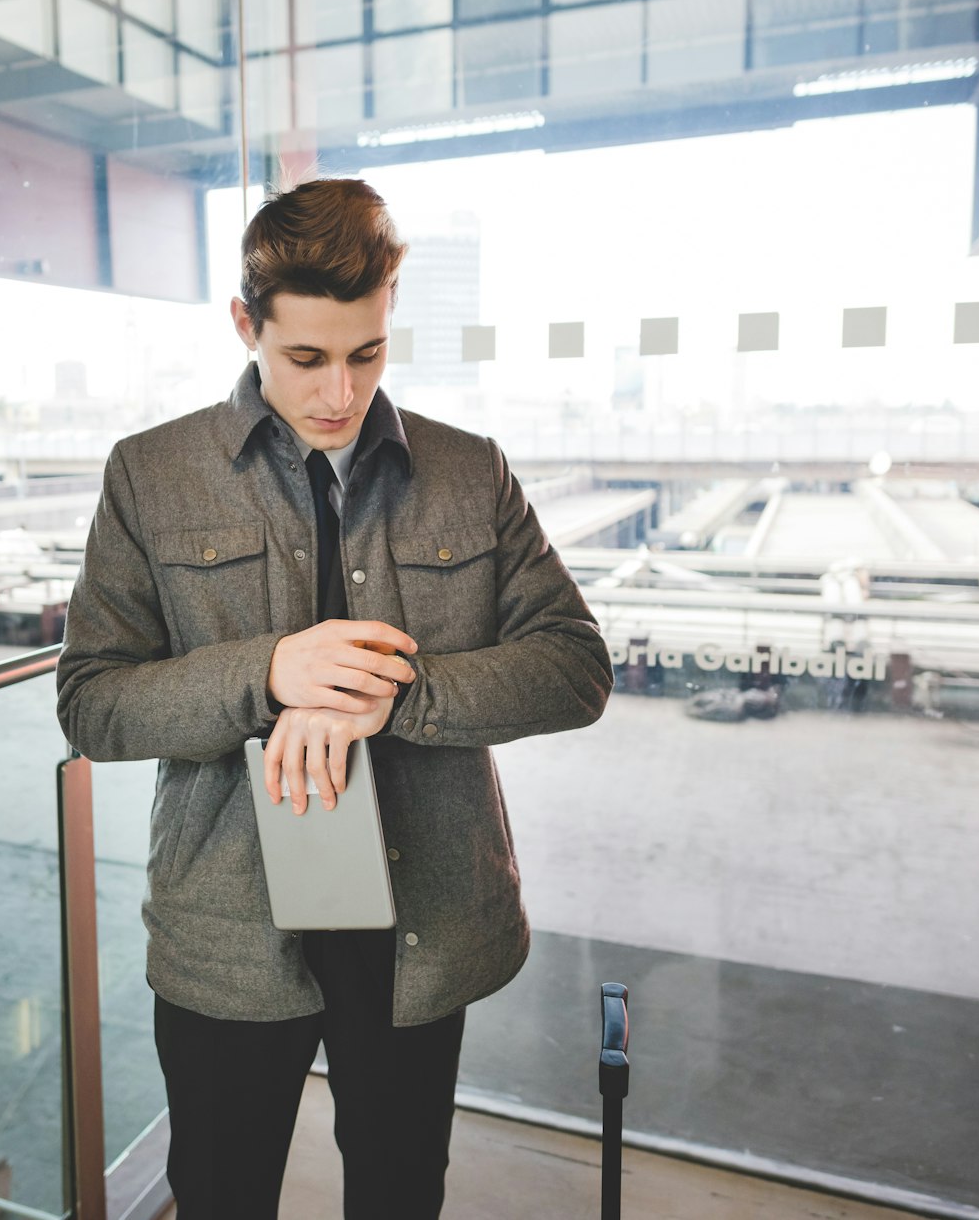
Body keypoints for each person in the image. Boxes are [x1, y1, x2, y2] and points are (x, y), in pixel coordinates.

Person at [56, 178, 612, 1220]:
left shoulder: (468, 470)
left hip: (419, 923)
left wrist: (389, 694)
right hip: (228, 927)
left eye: (366, 353)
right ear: (244, 326)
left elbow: (574, 666)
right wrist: (267, 672)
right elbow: (91, 703)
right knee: (219, 1196)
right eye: (304, 357)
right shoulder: (148, 475)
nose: (337, 394)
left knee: (399, 1194)